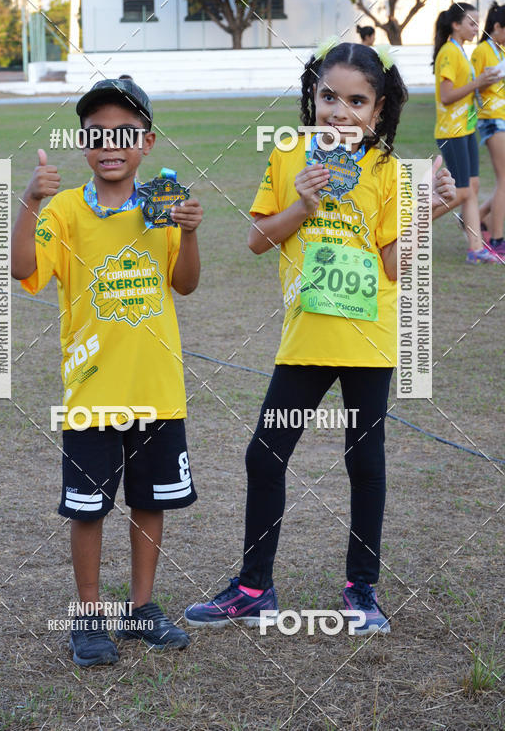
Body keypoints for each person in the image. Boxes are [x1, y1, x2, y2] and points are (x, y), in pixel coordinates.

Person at [184, 40, 456, 635]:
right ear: (311, 96)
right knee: (266, 454)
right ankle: (254, 588)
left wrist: (428, 212)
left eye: (356, 101)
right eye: (328, 96)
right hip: (305, 338)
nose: (340, 111)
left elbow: (391, 264)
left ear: (379, 111)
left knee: (365, 460)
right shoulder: (289, 156)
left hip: (368, 340)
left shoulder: (387, 171)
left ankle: (362, 590)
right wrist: (302, 206)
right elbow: (258, 239)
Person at [11, 77, 203, 666]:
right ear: (83, 143)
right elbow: (22, 268)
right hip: (93, 392)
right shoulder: (66, 211)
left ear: (146, 141)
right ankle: (89, 613)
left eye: (124, 132)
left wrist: (189, 233)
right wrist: (29, 201)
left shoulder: (164, 205)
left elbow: (186, 283)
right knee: (87, 508)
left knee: (149, 503)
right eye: (96, 134)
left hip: (156, 389)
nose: (110, 144)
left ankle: (141, 606)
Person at [431, 2, 501, 263]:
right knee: (461, 191)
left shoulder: (461, 51)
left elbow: (467, 91)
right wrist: (478, 82)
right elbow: (447, 96)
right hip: (452, 131)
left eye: (477, 22)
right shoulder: (449, 52)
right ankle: (409, 224)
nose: (476, 28)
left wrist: (483, 84)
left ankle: (476, 249)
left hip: (466, 128)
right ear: (456, 25)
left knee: (472, 187)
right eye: (471, 22)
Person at [471, 2, 505, 256]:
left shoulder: (499, 50)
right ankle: (496, 240)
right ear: (496, 27)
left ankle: (478, 217)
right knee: (503, 180)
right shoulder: (483, 50)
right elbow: (474, 84)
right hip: (492, 118)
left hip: (501, 116)